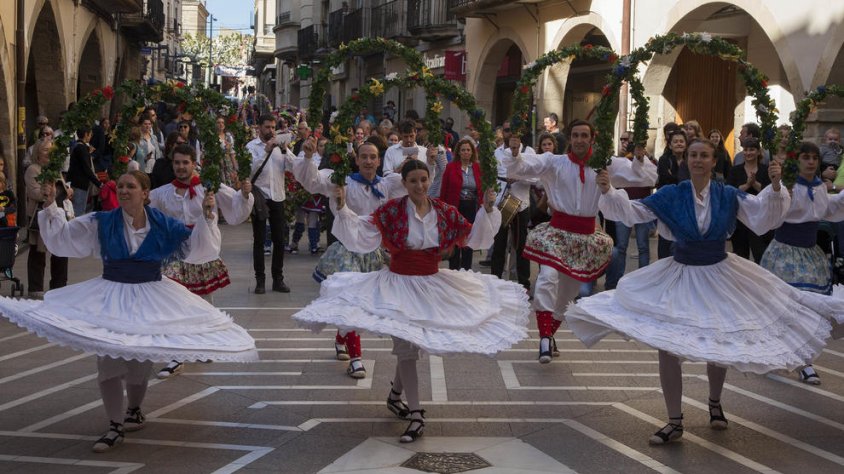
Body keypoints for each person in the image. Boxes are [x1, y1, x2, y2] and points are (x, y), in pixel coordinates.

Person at [567, 139, 844, 445]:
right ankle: (674, 420)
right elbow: (634, 212)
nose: (698, 160)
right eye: (693, 155)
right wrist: (607, 191)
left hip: (720, 271)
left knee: (719, 336)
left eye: (704, 156)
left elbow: (762, 217)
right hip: (681, 273)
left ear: (714, 161)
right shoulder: (672, 194)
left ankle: (714, 403)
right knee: (667, 344)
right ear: (686, 160)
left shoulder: (727, 194)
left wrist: (776, 187)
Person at [0, 171, 258, 453]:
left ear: (144, 193)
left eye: (130, 186)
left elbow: (198, 250)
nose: (123, 191)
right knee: (109, 355)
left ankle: (134, 409)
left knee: (139, 357)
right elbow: (64, 239)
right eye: (121, 186)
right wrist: (51, 206)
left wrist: (208, 216)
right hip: (111, 294)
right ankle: (114, 424)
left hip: (151, 293)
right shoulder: (103, 221)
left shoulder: (162, 224)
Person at [292, 159, 530, 443]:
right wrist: (342, 207)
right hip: (398, 284)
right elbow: (363, 230)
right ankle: (416, 413)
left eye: (423, 179)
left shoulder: (443, 211)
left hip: (431, 283)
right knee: (406, 347)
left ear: (430, 181)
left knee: (412, 345)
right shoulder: (392, 210)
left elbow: (473, 237)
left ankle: (395, 396)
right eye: (413, 180)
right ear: (403, 184)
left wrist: (489, 209)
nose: (419, 185)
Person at [502, 120, 657, 363]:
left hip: (584, 238)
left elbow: (643, 176)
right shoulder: (556, 162)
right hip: (557, 232)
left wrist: (637, 157)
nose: (580, 140)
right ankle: (543, 337)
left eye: (584, 135)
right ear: (570, 138)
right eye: (575, 135)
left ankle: (550, 335)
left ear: (592, 138)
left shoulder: (606, 164)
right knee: (546, 279)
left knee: (567, 294)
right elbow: (522, 168)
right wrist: (514, 152)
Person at [291, 140, 408, 378]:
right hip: (347, 251)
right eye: (364, 156)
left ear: (379, 160)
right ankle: (356, 358)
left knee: (365, 304)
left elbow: (414, 183)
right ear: (356, 159)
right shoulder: (342, 180)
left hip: (372, 253)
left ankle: (340, 337)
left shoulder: (385, 185)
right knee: (353, 302)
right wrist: (308, 157)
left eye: (373, 157)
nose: (368, 161)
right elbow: (312, 181)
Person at [149, 144, 254, 379]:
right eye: (177, 163)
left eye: (185, 162)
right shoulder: (163, 192)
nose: (180, 167)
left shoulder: (210, 188)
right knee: (174, 301)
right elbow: (146, 210)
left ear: (194, 163)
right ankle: (176, 354)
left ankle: (202, 342)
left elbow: (236, 207)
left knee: (203, 301)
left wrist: (245, 194)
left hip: (203, 248)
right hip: (174, 252)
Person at [760, 141, 844, 385]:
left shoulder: (819, 187)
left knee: (809, 309)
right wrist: (776, 185)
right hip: (785, 253)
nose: (810, 162)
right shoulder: (789, 187)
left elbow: (830, 208)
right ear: (797, 161)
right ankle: (778, 353)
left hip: (809, 254)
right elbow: (772, 211)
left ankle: (805, 362)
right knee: (783, 307)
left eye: (814, 158)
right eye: (805, 157)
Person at [247, 114, 295, 294]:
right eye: (267, 127)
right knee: (259, 240)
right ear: (259, 127)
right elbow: (250, 170)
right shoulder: (251, 147)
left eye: (273, 127)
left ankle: (278, 279)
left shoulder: (280, 147)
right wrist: (266, 150)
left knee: (279, 240)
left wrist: (285, 150)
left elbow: (293, 167)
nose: (271, 131)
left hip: (278, 196)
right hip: (260, 197)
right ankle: (260, 280)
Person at [603, 136, 656, 290]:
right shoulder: (615, 162)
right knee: (621, 246)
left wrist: (640, 161)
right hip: (623, 206)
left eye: (630, 141)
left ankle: (643, 281)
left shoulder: (649, 163)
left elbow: (653, 180)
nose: (626, 143)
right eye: (623, 140)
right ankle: (615, 282)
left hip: (642, 207)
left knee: (643, 246)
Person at [491, 121, 536, 291]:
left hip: (520, 204)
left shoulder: (529, 152)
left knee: (521, 246)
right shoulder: (497, 152)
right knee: (499, 244)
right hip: (502, 202)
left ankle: (523, 283)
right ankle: (496, 281)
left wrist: (519, 178)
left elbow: (535, 179)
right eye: (508, 131)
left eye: (514, 131)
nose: (511, 135)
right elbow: (493, 177)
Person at [25, 140, 70, 299]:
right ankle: (35, 288)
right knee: (38, 253)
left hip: (57, 215)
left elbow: (63, 190)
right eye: (45, 150)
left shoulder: (54, 169)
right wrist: (48, 192)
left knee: (61, 251)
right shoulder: (33, 170)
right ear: (37, 152)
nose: (49, 153)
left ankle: (59, 287)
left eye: (51, 150)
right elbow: (34, 193)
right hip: (41, 217)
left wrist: (65, 190)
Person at [440, 138, 483, 270]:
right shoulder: (451, 167)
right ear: (458, 152)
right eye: (463, 150)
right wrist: (443, 209)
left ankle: (466, 270)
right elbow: (444, 189)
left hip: (471, 207)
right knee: (455, 240)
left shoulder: (477, 167)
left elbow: (481, 188)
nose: (465, 152)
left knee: (468, 241)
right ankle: (454, 270)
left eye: (468, 150)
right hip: (455, 208)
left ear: (472, 152)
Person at [727, 138, 772, 262]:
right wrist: (747, 185)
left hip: (760, 219)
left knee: (760, 256)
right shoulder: (735, 170)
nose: (748, 153)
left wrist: (755, 183)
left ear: (758, 152)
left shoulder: (765, 170)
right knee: (740, 258)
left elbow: (770, 192)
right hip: (740, 219)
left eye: (752, 149)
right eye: (746, 150)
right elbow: (730, 191)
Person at [656, 129, 690, 258]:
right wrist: (679, 178)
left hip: (684, 205)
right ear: (670, 145)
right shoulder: (664, 160)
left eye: (682, 141)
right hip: (667, 205)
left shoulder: (689, 161)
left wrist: (674, 176)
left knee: (681, 240)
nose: (679, 144)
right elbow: (665, 178)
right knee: (665, 239)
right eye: (675, 142)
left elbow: (689, 182)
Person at [67, 126, 102, 217]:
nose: (91, 137)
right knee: (78, 211)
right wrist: (98, 183)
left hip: (75, 182)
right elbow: (87, 168)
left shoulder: (76, 146)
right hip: (80, 183)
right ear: (86, 135)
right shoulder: (81, 148)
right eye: (90, 135)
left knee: (77, 209)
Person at [216, 117, 238, 187]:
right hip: (217, 165)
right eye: (218, 122)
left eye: (222, 122)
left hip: (228, 164)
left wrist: (235, 169)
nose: (221, 124)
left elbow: (232, 153)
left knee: (230, 186)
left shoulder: (228, 136)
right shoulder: (212, 137)